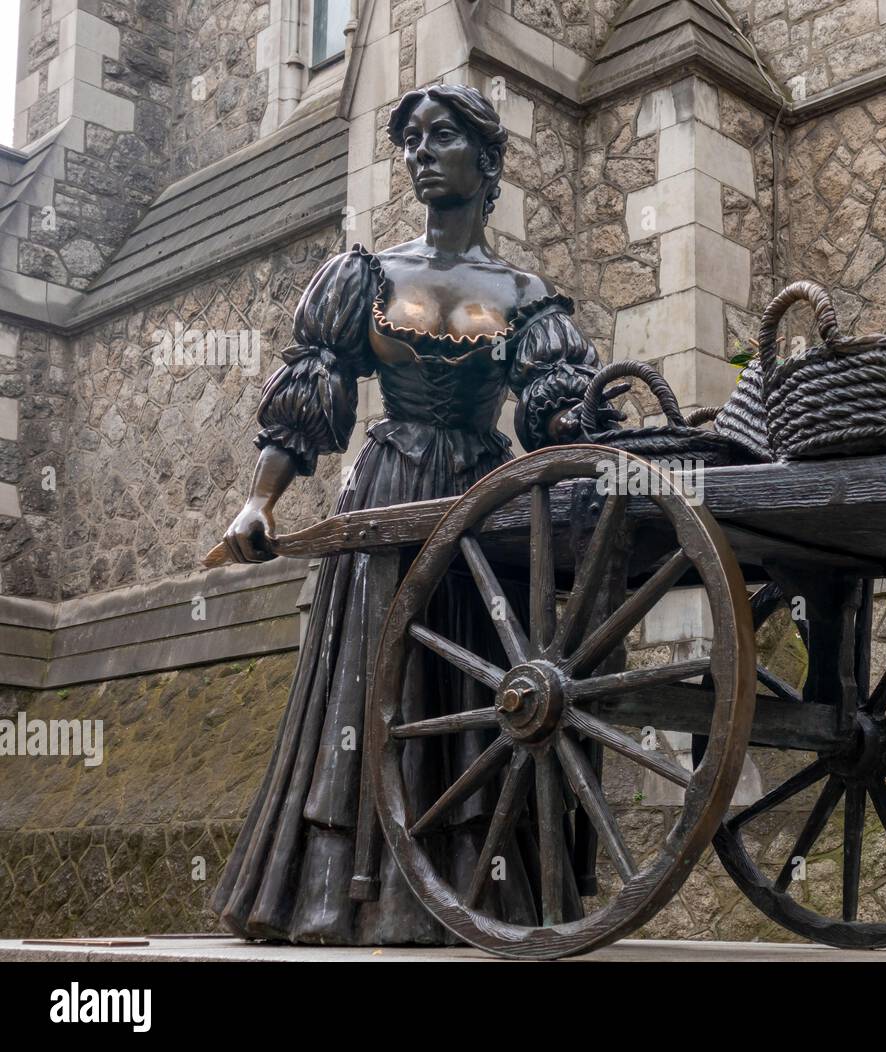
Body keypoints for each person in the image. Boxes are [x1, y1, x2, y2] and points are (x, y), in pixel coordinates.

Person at [211, 83, 618, 943]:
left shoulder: (521, 292)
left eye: (443, 137)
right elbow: (308, 402)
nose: (421, 152)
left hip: (479, 507)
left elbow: (551, 414)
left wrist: (589, 420)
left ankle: (471, 894)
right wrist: (257, 502)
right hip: (388, 492)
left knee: (473, 684)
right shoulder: (366, 277)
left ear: (489, 159)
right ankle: (346, 901)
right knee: (369, 684)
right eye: (412, 139)